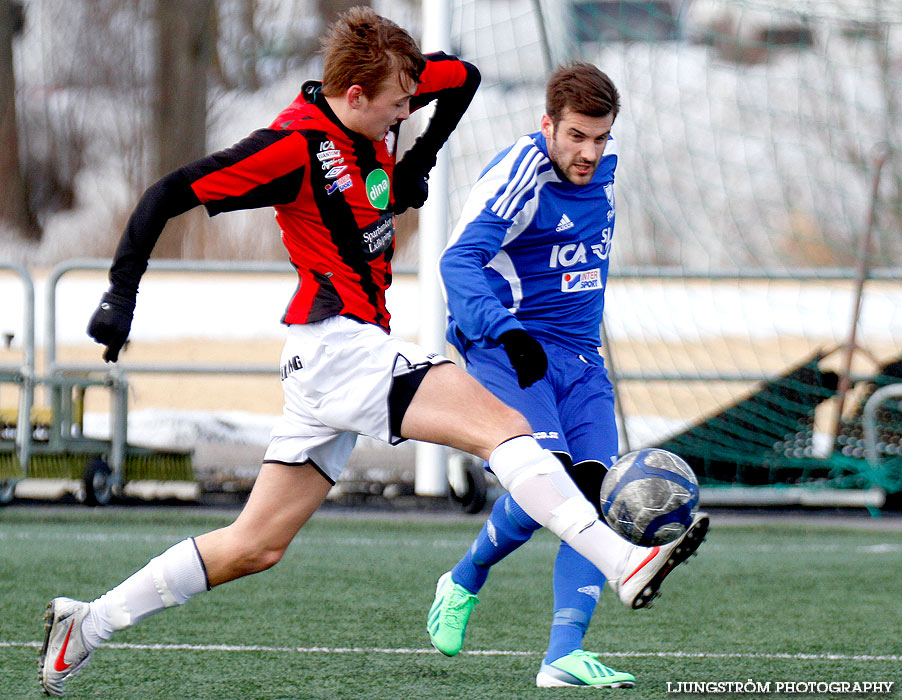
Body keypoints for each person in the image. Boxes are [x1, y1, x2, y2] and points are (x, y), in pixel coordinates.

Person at [38, 7, 698, 692]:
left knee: (253, 546)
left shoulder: (390, 87)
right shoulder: (291, 147)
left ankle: (86, 623)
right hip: (335, 346)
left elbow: (463, 77)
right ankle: (623, 561)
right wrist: (121, 295)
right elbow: (167, 193)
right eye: (396, 109)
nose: (405, 112)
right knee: (506, 429)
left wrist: (421, 157)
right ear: (354, 97)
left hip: (330, 364)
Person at [427, 63, 709, 689]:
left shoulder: (603, 173)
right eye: (576, 136)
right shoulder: (517, 175)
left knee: (591, 498)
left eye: (601, 138)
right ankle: (467, 581)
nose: (588, 152)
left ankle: (561, 657)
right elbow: (458, 263)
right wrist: (504, 330)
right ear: (547, 124)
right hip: (510, 350)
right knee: (548, 485)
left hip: (580, 360)